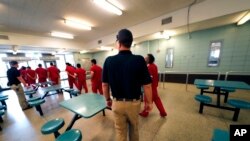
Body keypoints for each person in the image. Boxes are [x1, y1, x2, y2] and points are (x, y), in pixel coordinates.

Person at [102, 29, 153, 141]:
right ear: (130, 43)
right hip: (134, 104)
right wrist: (149, 102)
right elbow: (147, 85)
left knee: (120, 131)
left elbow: (105, 85)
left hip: (117, 103)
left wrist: (107, 99)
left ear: (119, 43)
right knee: (134, 129)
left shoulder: (109, 61)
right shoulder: (139, 60)